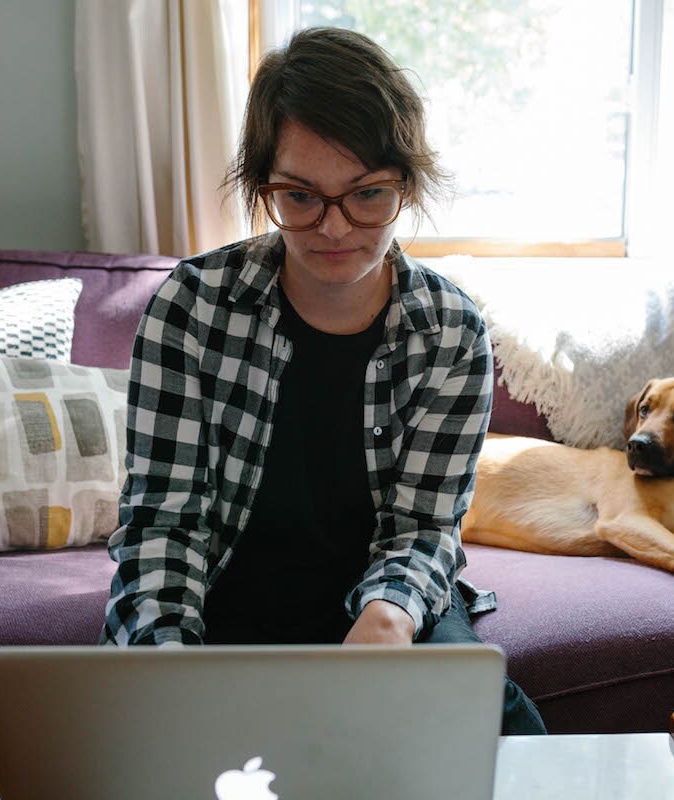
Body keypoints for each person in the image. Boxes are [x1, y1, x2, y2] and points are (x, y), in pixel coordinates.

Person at [100, 26, 545, 735]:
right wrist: (169, 664)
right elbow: (164, 524)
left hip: (382, 601)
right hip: (225, 593)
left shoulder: (452, 332)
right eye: (300, 196)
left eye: (367, 195)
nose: (335, 228)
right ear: (263, 186)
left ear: (407, 186)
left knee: (493, 736)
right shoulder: (191, 307)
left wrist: (389, 616)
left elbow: (424, 529)